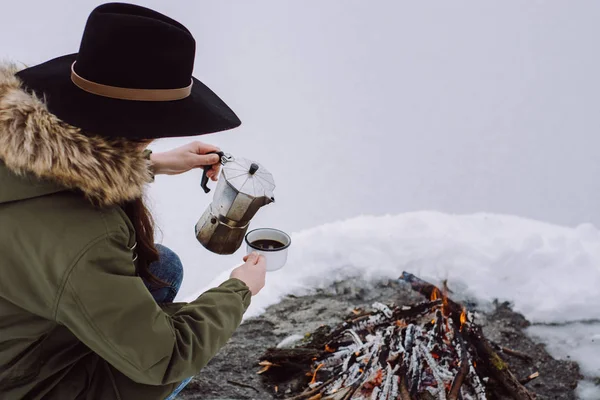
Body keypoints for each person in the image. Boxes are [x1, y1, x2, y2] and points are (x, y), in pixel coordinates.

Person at [0, 3, 266, 399]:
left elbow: (48, 177)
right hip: (24, 381)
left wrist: (152, 164)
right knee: (160, 362)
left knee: (164, 266)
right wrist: (238, 290)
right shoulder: (87, 238)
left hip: (17, 311)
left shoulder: (15, 137)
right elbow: (167, 357)